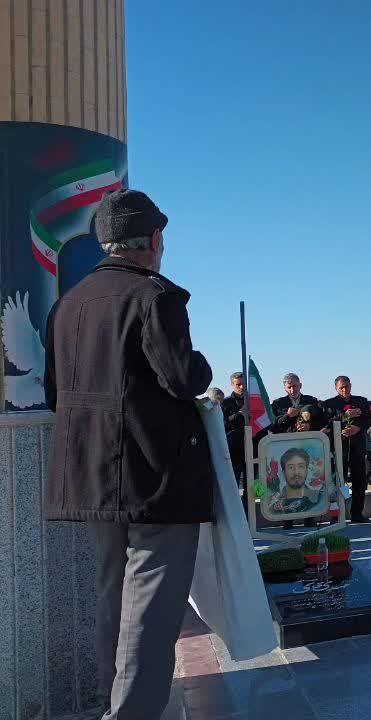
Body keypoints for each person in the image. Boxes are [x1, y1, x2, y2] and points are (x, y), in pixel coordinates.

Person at [44, 188, 212, 718]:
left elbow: (54, 394)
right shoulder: (152, 297)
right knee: (152, 615)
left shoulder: (66, 305)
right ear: (155, 241)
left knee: (113, 601)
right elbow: (184, 378)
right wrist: (203, 365)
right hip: (153, 480)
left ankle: (109, 703)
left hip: (91, 478)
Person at [323, 375, 371, 523]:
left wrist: (358, 428)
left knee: (360, 481)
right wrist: (344, 416)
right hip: (339, 450)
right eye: (341, 388)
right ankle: (336, 516)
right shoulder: (329, 404)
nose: (344, 390)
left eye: (347, 386)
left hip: (357, 448)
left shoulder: (361, 401)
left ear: (351, 385)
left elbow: (368, 419)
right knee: (338, 482)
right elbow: (327, 423)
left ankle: (357, 514)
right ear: (336, 388)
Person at [222, 372, 248, 515]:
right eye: (238, 384)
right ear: (232, 385)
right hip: (233, 450)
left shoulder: (254, 399)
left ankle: (249, 515)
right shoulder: (225, 403)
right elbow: (222, 424)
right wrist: (238, 414)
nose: (242, 387)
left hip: (251, 449)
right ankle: (234, 515)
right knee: (233, 485)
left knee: (251, 486)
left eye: (244, 384)